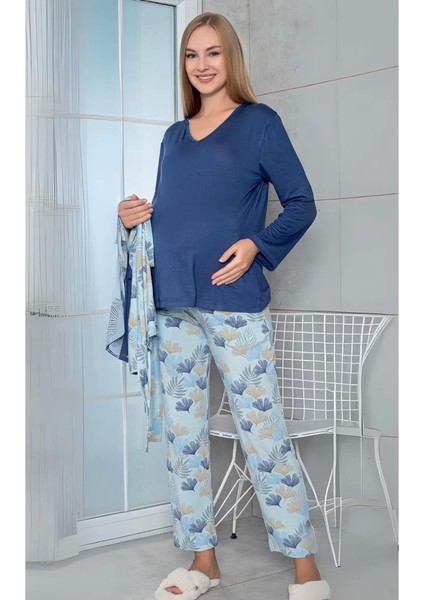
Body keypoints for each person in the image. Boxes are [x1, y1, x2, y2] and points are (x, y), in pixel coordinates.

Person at [118, 12, 331, 600]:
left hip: (233, 302)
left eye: (213, 53)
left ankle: (306, 571)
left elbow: (302, 203)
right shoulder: (173, 136)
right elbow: (177, 210)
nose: (202, 65)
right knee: (184, 437)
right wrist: (134, 217)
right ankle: (204, 563)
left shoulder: (260, 123)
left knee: (262, 432)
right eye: (192, 55)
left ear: (230, 57)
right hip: (173, 302)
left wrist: (257, 245)